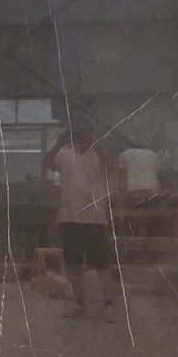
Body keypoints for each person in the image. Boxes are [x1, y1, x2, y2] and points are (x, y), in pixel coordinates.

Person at [41, 124, 117, 323]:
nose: (84, 138)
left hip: (95, 218)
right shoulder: (64, 155)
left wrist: (97, 144)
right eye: (80, 134)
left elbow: (110, 169)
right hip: (69, 217)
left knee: (102, 264)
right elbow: (45, 163)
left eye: (88, 134)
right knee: (73, 264)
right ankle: (79, 303)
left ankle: (109, 305)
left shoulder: (98, 155)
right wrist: (59, 143)